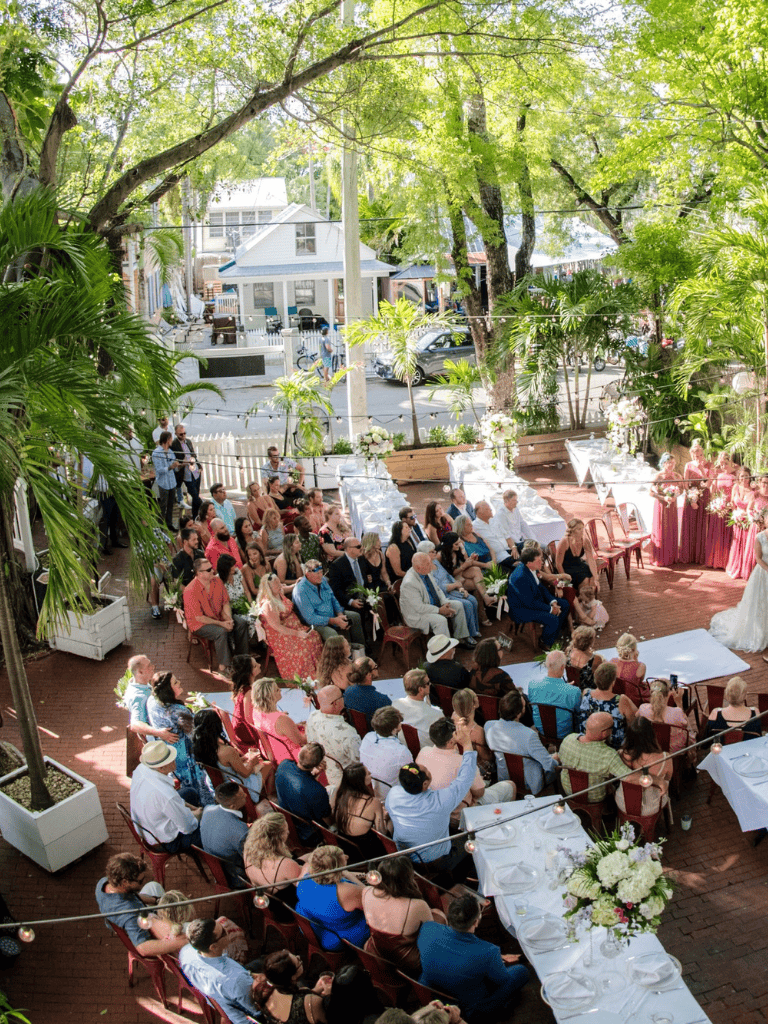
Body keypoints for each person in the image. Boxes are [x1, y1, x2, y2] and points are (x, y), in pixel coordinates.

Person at [386, 717, 477, 880]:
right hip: (437, 861)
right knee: (474, 837)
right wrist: (468, 744)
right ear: (426, 783)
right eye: (428, 771)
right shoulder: (440, 801)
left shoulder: (393, 795)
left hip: (406, 857)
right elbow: (465, 777)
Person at [417, 894, 529, 1023]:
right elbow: (502, 981)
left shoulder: (428, 929)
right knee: (521, 971)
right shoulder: (489, 951)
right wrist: (496, 963)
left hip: (434, 994)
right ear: (476, 921)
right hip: (469, 1008)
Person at [416, 717, 514, 820]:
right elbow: (480, 793)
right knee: (510, 786)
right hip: (462, 814)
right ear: (450, 742)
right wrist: (467, 743)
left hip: (437, 812)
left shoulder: (423, 751)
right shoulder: (464, 762)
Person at [362, 855, 444, 977]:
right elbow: (431, 933)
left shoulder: (366, 891)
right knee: (439, 915)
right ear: (408, 878)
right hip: (407, 961)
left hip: (377, 950)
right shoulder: (416, 905)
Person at [95, 852, 187, 955]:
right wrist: (178, 942)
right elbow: (142, 947)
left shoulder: (104, 882)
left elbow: (132, 895)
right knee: (187, 928)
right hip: (142, 920)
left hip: (139, 910)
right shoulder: (130, 913)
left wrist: (155, 900)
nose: (143, 882)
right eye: (140, 881)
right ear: (125, 882)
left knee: (153, 886)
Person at [146, 672, 214, 806]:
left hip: (170, 754)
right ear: (168, 690)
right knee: (201, 790)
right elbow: (196, 735)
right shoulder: (177, 711)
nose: (179, 683)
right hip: (186, 759)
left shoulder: (152, 701)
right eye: (175, 682)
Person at [179, 919, 262, 1024]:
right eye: (223, 932)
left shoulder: (185, 952)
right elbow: (256, 1010)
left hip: (222, 1001)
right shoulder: (237, 979)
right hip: (245, 1017)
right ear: (213, 947)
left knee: (260, 962)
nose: (226, 929)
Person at [710, 506, 768, 652]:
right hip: (763, 574)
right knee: (760, 602)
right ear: (765, 520)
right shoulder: (760, 537)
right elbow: (758, 558)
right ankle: (760, 632)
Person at [130, 740, 203, 850]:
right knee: (208, 828)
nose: (175, 761)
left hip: (149, 826)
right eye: (171, 761)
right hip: (163, 841)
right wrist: (199, 814)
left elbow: (173, 800)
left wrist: (190, 808)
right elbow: (188, 827)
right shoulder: (165, 794)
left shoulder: (140, 769)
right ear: (161, 768)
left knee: (189, 793)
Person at [295, 845, 370, 951]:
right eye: (343, 856)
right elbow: (369, 899)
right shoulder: (346, 891)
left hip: (326, 927)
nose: (347, 856)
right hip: (349, 935)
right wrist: (349, 874)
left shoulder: (303, 881)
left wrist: (348, 873)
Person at [484, 690, 558, 795]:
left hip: (504, 778)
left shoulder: (488, 726)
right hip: (529, 783)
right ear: (519, 714)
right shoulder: (529, 735)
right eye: (523, 706)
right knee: (554, 763)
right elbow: (549, 765)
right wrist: (555, 760)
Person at [183, 556, 249, 672]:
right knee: (221, 632)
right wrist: (222, 624)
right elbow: (200, 617)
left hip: (218, 615)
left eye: (212, 568)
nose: (213, 571)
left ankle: (241, 658)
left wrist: (228, 619)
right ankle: (224, 666)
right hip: (200, 624)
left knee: (242, 623)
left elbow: (225, 602)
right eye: (208, 570)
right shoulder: (190, 591)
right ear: (199, 573)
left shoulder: (217, 581)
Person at [192, 707, 268, 801]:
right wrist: (252, 761)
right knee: (268, 765)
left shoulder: (201, 748)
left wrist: (242, 758)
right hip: (238, 787)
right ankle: (263, 800)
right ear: (217, 725)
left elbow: (225, 765)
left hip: (223, 786)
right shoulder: (226, 750)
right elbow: (245, 773)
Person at [257, 573, 324, 679]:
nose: (280, 585)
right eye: (277, 584)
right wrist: (298, 634)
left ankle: (319, 672)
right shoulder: (268, 604)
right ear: (269, 588)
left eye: (279, 582)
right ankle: (306, 678)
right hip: (281, 635)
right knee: (305, 645)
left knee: (315, 636)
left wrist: (296, 583)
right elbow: (277, 627)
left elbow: (288, 588)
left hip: (294, 628)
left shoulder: (279, 592)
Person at [400, 553, 473, 648]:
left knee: (458, 605)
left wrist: (445, 603)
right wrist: (440, 610)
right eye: (428, 564)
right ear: (418, 568)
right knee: (441, 621)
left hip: (433, 605)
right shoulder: (409, 583)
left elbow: (438, 589)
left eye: (430, 562)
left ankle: (461, 638)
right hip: (417, 615)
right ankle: (445, 652)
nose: (431, 565)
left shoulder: (425, 571)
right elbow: (419, 608)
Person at [292, 560, 366, 647]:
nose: (320, 576)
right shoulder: (300, 590)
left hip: (332, 615)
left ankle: (361, 650)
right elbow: (310, 618)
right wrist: (333, 621)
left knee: (355, 617)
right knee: (332, 634)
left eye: (321, 572)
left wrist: (340, 614)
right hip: (315, 623)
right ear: (308, 574)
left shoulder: (323, 580)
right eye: (317, 573)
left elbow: (333, 599)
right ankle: (341, 659)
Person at [559, 711, 630, 802]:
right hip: (595, 797)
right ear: (604, 733)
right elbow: (628, 777)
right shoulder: (609, 755)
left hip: (568, 791)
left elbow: (560, 758)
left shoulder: (568, 739)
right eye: (611, 727)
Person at [506, 548, 569, 649]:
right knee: (552, 619)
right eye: (539, 560)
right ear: (529, 563)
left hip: (533, 600)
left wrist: (553, 602)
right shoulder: (520, 577)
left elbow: (540, 587)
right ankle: (545, 641)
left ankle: (553, 634)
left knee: (564, 604)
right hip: (522, 609)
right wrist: (551, 609)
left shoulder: (531, 568)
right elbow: (529, 603)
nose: (542, 562)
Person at [417, 539, 484, 634]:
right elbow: (438, 588)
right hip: (443, 594)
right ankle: (468, 634)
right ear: (425, 554)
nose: (435, 552)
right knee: (467, 604)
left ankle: (474, 630)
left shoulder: (435, 562)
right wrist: (455, 585)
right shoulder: (426, 569)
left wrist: (460, 588)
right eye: (432, 551)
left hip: (452, 589)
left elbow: (448, 575)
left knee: (472, 599)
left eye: (434, 550)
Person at [243, 812, 303, 914]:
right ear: (278, 837)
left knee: (305, 858)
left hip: (269, 902)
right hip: (287, 910)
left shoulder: (247, 851)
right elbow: (306, 887)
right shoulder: (284, 864)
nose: (288, 832)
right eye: (286, 830)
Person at [275, 742, 333, 845]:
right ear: (318, 763)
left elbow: (301, 780)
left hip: (288, 822)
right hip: (310, 835)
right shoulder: (317, 790)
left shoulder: (283, 765)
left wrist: (315, 774)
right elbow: (328, 821)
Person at [305, 685, 361, 790]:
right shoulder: (347, 732)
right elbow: (360, 762)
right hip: (347, 783)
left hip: (327, 774)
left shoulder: (312, 716)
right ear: (336, 703)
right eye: (342, 696)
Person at [254, 949, 332, 1024]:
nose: (299, 956)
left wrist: (316, 989)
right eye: (298, 962)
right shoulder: (310, 1003)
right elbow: (333, 1018)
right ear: (293, 977)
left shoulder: (264, 991)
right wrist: (330, 995)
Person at [615, 718, 672, 817]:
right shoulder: (665, 758)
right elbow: (668, 778)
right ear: (651, 734)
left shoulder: (621, 755)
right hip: (651, 806)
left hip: (623, 802)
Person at [332, 762, 389, 858]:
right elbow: (382, 832)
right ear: (361, 780)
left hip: (346, 847)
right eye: (368, 773)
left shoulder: (340, 795)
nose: (370, 773)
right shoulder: (373, 802)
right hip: (367, 852)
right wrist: (385, 818)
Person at [199, 782, 250, 888]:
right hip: (235, 875)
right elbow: (252, 859)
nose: (245, 795)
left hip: (216, 867)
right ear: (233, 806)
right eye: (242, 795)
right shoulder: (241, 831)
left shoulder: (207, 809)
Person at [576, 661, 637, 750]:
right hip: (613, 747)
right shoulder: (621, 700)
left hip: (587, 742)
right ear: (613, 682)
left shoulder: (586, 693)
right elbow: (634, 721)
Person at [122, 654, 179, 745]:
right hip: (160, 739)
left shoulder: (137, 682)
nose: (153, 667)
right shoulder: (138, 697)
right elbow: (135, 725)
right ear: (140, 672)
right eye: (149, 666)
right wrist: (160, 733)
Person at [359, 706, 411, 800]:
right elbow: (410, 778)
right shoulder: (401, 752)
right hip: (392, 797)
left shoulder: (367, 737)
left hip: (370, 791)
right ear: (394, 729)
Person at [527, 650, 580, 740]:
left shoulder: (532, 685)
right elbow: (578, 712)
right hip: (565, 734)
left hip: (541, 730)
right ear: (562, 667)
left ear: (547, 665)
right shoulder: (574, 691)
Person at [251, 678, 305, 765]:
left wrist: (294, 726)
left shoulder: (256, 712)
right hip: (293, 759)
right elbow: (301, 741)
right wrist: (312, 727)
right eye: (276, 690)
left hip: (276, 755)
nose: (280, 690)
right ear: (269, 696)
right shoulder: (281, 719)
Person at [436, 531, 493, 609]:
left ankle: (487, 599)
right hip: (451, 580)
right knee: (477, 586)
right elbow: (448, 575)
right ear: (449, 545)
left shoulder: (457, 549)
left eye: (459, 543)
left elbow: (463, 563)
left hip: (460, 573)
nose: (459, 545)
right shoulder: (440, 555)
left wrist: (470, 560)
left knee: (476, 570)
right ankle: (483, 614)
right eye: (456, 544)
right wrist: (463, 566)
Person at [637, 678, 693, 754]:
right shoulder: (676, 712)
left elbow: (636, 718)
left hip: (651, 750)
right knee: (690, 732)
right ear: (669, 693)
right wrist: (679, 704)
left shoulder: (643, 708)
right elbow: (686, 725)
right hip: (674, 754)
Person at [679, 439, 712, 565]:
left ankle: (700, 556)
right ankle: (689, 555)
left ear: (702, 454)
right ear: (691, 454)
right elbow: (686, 485)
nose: (697, 457)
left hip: (703, 496)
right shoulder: (688, 465)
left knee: (702, 526)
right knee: (690, 525)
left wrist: (702, 469)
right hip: (691, 496)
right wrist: (692, 499)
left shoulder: (709, 465)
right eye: (694, 455)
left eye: (699, 455)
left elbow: (707, 483)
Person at [392, 669, 443, 747]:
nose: (430, 684)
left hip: (404, 748)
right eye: (428, 683)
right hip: (428, 753)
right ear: (421, 689)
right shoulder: (437, 715)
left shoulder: (395, 705)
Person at [451, 689, 494, 778]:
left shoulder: (453, 718)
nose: (478, 697)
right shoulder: (478, 731)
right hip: (473, 770)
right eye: (475, 697)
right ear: (473, 704)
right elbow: (485, 757)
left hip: (458, 763)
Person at [649, 453, 683, 567]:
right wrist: (664, 497)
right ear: (664, 463)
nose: (672, 465)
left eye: (673, 463)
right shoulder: (659, 476)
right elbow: (651, 492)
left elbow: (682, 489)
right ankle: (661, 558)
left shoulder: (677, 476)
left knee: (671, 528)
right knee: (662, 528)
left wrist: (675, 495)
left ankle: (671, 557)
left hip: (672, 505)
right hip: (661, 505)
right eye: (669, 463)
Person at [706, 676, 762, 740]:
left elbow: (706, 741)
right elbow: (758, 737)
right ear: (745, 696)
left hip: (723, 749)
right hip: (749, 749)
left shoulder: (715, 713)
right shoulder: (755, 712)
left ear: (727, 694)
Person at [705, 451, 735, 570]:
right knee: (717, 534)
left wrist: (728, 505)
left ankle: (725, 561)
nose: (723, 467)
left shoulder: (734, 477)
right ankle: (715, 560)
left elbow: (735, 493)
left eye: (726, 464)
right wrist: (717, 503)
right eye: (721, 464)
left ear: (730, 463)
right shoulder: (718, 476)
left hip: (728, 508)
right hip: (719, 508)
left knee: (726, 534)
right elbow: (714, 492)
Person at [555, 518, 600, 593]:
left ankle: (588, 600)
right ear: (572, 531)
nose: (582, 531)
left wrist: (595, 578)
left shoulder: (585, 541)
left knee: (593, 582)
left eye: (582, 528)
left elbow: (591, 560)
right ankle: (584, 600)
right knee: (585, 581)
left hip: (579, 565)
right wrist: (565, 579)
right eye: (579, 529)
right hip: (565, 568)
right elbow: (558, 564)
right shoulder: (564, 542)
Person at [726, 466, 755, 579]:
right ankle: (735, 566)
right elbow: (732, 504)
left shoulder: (753, 491)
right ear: (738, 477)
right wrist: (734, 516)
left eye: (746, 476)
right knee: (737, 544)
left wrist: (747, 517)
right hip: (737, 520)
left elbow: (753, 507)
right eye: (742, 476)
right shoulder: (735, 488)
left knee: (746, 544)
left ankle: (745, 569)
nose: (744, 479)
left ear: (750, 477)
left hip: (748, 521)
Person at [472, 501, 518, 571]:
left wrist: (514, 547)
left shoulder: (495, 521)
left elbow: (507, 536)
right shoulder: (474, 527)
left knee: (531, 552)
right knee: (521, 566)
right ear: (480, 513)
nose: (491, 510)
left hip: (509, 550)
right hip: (497, 556)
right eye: (487, 509)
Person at [327, 536, 370, 612]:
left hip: (366, 597)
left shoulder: (361, 559)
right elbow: (336, 590)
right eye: (358, 546)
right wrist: (350, 601)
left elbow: (365, 579)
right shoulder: (337, 565)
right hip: (350, 602)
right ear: (350, 549)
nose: (362, 548)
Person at [344, 657, 391, 725]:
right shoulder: (382, 700)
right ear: (369, 675)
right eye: (375, 667)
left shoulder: (348, 691)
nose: (377, 668)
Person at [230, 654, 262, 751]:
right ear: (249, 673)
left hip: (236, 725)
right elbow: (249, 720)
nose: (260, 665)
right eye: (255, 665)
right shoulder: (249, 692)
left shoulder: (240, 685)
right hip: (244, 731)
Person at [152, 430, 183, 530]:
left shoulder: (170, 452)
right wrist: (171, 467)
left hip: (172, 482)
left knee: (171, 504)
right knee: (163, 505)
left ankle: (169, 524)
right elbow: (159, 470)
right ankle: (160, 525)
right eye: (170, 439)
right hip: (163, 483)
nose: (172, 441)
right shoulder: (156, 453)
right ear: (166, 440)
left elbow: (175, 465)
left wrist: (181, 465)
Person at [492, 489, 535, 557]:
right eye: (514, 500)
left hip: (521, 540)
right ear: (506, 501)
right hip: (513, 544)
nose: (516, 502)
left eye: (516, 500)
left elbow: (523, 524)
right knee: (536, 551)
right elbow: (507, 534)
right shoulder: (501, 514)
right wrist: (519, 544)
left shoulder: (516, 509)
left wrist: (533, 539)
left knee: (542, 547)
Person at [171, 423, 201, 517]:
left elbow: (193, 454)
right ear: (176, 433)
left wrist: (199, 465)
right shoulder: (174, 444)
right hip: (186, 474)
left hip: (195, 472)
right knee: (195, 497)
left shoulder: (188, 441)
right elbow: (174, 462)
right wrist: (182, 463)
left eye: (184, 433)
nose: (183, 435)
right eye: (181, 434)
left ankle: (195, 516)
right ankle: (207, 508)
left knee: (196, 497)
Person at [610, 633, 648, 704]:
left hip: (615, 697)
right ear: (634, 649)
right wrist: (636, 659)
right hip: (632, 700)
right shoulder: (641, 666)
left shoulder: (612, 662)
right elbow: (638, 681)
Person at [565, 625, 604, 690]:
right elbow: (599, 678)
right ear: (591, 642)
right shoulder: (595, 659)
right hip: (588, 690)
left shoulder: (568, 651)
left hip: (572, 686)